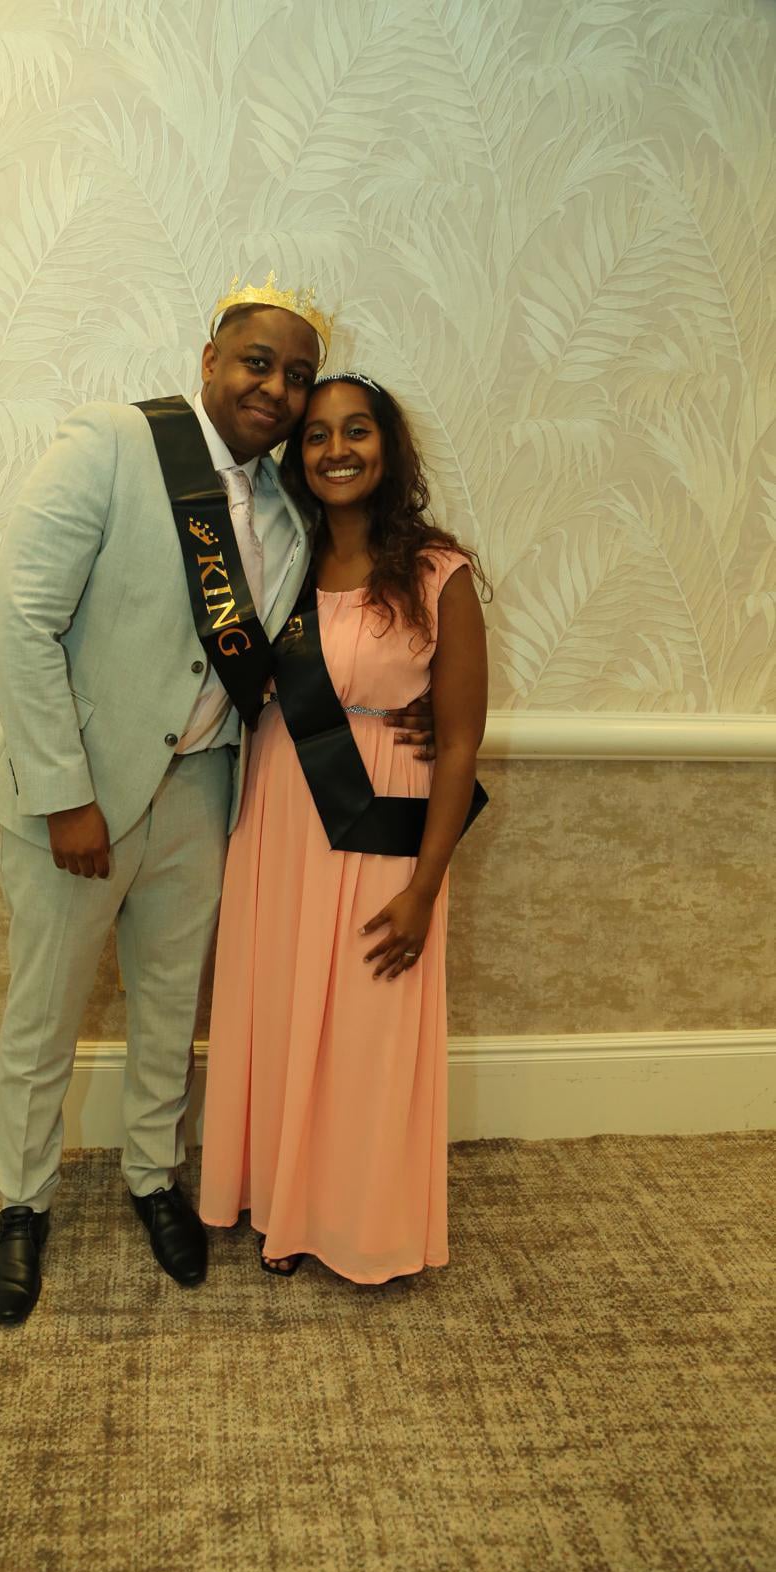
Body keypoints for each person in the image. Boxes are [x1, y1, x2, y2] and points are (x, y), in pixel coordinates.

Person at [0, 276, 433, 1325]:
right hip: (82, 795)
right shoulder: (110, 442)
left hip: (206, 787)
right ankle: (21, 1205)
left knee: (171, 1006)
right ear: (211, 358)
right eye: (257, 363)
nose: (277, 390)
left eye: (297, 375)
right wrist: (64, 794)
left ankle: (151, 1178)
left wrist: (426, 713)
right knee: (43, 1013)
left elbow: (333, 644)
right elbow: (22, 622)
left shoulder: (288, 506)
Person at [198, 371, 489, 1285]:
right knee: (283, 1011)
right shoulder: (276, 560)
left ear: (387, 447)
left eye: (356, 430)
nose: (336, 450)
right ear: (298, 456)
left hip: (380, 824)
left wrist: (425, 890)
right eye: (317, 434)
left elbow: (460, 741)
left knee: (366, 1029)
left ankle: (356, 1221)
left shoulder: (439, 574)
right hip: (280, 814)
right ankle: (282, 1206)